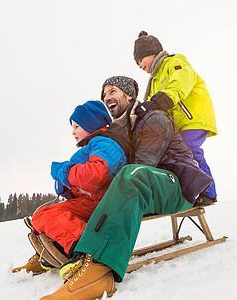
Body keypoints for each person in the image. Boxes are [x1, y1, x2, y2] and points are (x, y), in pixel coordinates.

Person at [39, 76, 213, 299]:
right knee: (90, 197)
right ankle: (61, 249)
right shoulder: (122, 129)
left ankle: (99, 270)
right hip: (148, 187)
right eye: (104, 94)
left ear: (129, 94)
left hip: (177, 186)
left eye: (112, 91)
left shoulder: (153, 117)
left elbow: (144, 165)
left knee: (131, 174)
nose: (107, 97)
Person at [12, 100, 127, 275]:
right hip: (89, 201)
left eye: (77, 126)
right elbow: (88, 179)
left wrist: (63, 172)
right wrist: (68, 187)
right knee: (42, 215)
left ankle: (87, 251)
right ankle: (54, 251)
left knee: (50, 216)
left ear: (91, 123)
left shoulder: (106, 144)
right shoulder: (94, 145)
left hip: (103, 204)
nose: (73, 132)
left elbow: (95, 175)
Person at [133, 30, 218, 204]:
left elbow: (181, 82)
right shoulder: (154, 81)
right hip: (176, 126)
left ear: (152, 53)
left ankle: (208, 192)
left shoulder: (175, 62)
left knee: (189, 148)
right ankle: (185, 192)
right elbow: (152, 106)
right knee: (173, 155)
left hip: (193, 118)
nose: (140, 66)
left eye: (141, 60)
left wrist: (158, 101)